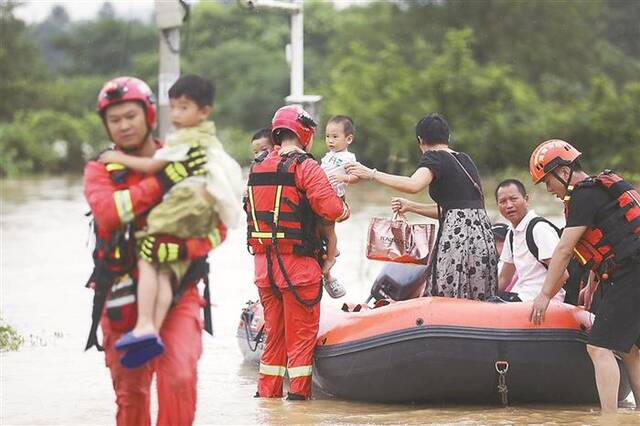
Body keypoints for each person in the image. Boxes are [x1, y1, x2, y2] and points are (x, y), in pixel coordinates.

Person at [84, 76, 226, 425]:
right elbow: (110, 213)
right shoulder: (100, 170)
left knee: (179, 376)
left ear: (148, 115)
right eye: (114, 120)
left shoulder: (186, 156)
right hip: (119, 294)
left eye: (130, 116)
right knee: (131, 394)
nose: (123, 125)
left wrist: (182, 246)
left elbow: (218, 227)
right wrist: (163, 180)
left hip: (179, 289)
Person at [98, 74, 243, 361]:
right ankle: (153, 326)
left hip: (181, 207)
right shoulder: (208, 140)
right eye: (173, 107)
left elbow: (153, 166)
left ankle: (144, 325)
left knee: (148, 256)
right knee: (165, 269)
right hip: (200, 213)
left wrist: (117, 158)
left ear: (203, 111)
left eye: (183, 108)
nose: (175, 114)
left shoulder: (183, 141)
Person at [245, 104, 350, 400]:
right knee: (301, 339)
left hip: (265, 269)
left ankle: (268, 402)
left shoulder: (257, 166)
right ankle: (299, 404)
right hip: (299, 269)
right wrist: (344, 210)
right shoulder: (305, 166)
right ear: (305, 132)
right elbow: (331, 209)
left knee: (274, 338)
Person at [528, 139, 640, 413]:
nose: (548, 189)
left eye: (547, 181)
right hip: (628, 270)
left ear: (563, 172)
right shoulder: (596, 191)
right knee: (630, 349)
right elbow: (607, 241)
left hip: (631, 273)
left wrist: (544, 294)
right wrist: (592, 283)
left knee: (599, 348)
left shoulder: (582, 195)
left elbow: (565, 249)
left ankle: (609, 418)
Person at [346, 113, 497, 300]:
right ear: (448, 138)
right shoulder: (465, 160)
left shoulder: (434, 157)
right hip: (481, 236)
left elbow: (413, 185)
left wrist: (371, 174)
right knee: (477, 297)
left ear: (421, 141)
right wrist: (411, 206)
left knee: (447, 297)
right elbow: (454, 211)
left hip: (458, 240)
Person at [495, 178, 566, 302]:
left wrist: (544, 297)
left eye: (513, 199)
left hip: (544, 300)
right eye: (503, 201)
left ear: (526, 199)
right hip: (522, 295)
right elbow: (504, 278)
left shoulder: (539, 228)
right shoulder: (512, 233)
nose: (509, 205)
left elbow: (563, 274)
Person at [318, 115, 360, 298]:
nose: (330, 141)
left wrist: (345, 178)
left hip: (335, 198)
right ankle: (330, 250)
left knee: (328, 229)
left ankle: (331, 256)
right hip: (321, 196)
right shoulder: (328, 156)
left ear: (348, 139)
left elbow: (357, 177)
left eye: (335, 137)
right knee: (318, 229)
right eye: (328, 137)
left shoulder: (348, 157)